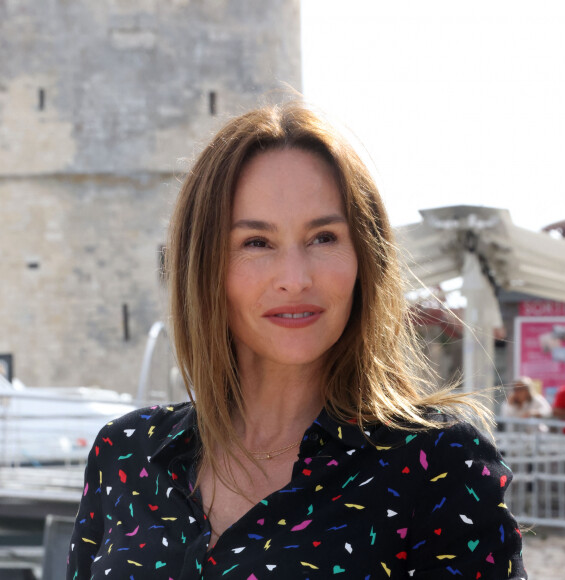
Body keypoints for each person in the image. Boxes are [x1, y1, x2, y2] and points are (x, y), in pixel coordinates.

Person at [67, 101, 527, 579]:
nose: (294, 278)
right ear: (203, 267)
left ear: (365, 259)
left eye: (323, 237)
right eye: (256, 243)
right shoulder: (125, 452)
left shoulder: (438, 466)